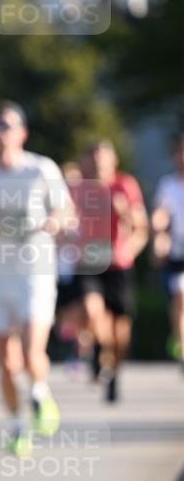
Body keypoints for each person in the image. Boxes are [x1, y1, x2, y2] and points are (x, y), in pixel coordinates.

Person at [0, 102, 74, 456]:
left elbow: (67, 210)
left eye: (8, 125)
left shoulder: (41, 169)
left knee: (30, 349)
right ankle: (16, 425)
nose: (1, 131)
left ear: (22, 132)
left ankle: (38, 393)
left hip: (34, 274)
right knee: (6, 362)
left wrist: (55, 221)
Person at [76, 139, 149, 401]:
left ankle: (114, 372)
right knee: (91, 309)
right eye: (93, 156)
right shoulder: (79, 187)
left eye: (103, 156)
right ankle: (97, 349)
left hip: (118, 262)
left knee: (120, 329)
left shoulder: (125, 185)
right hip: (89, 260)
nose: (98, 161)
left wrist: (124, 214)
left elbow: (141, 227)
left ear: (113, 160)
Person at [151, 133, 184, 372]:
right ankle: (181, 343)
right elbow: (160, 214)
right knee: (180, 297)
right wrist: (158, 234)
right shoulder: (169, 184)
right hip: (178, 253)